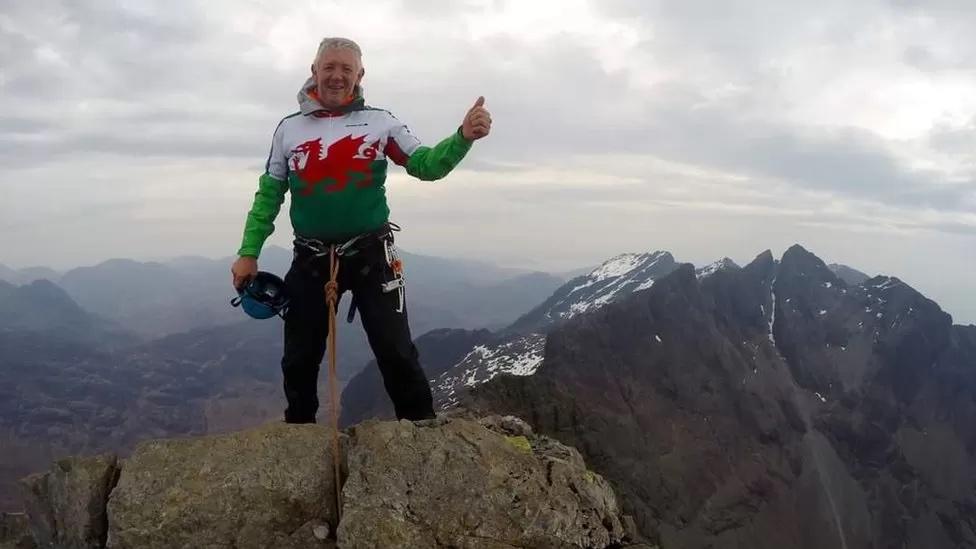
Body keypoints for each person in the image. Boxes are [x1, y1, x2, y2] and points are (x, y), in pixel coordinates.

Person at [230, 37, 491, 423]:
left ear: (360, 76)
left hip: (373, 255)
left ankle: (423, 434)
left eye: (346, 69)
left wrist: (462, 138)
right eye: (329, 67)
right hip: (311, 257)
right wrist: (249, 251)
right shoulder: (288, 130)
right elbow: (269, 195)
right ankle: (299, 438)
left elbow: (426, 165)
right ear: (314, 71)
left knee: (396, 351)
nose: (337, 76)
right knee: (299, 357)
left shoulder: (380, 122)